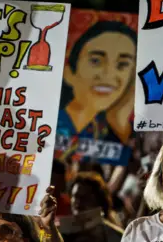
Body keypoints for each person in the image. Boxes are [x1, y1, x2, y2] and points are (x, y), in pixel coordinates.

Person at [59, 20, 137, 164]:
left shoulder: (111, 130)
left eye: (123, 65)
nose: (108, 75)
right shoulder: (46, 123)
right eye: (96, 61)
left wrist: (121, 125)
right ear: (69, 72)